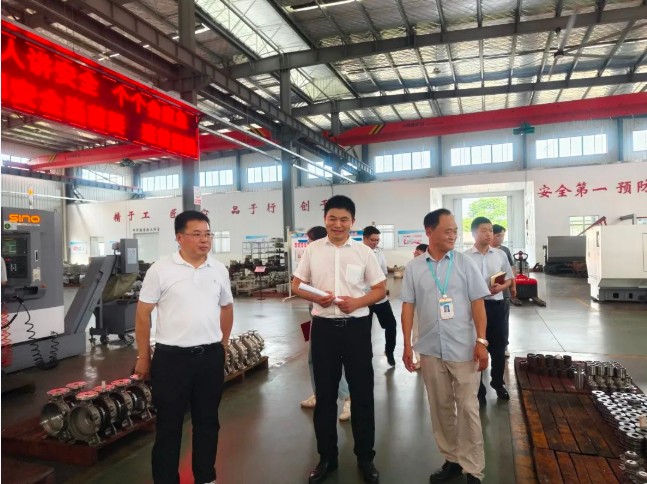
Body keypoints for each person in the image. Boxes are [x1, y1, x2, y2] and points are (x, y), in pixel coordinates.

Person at [135, 210, 234, 484]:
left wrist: (223, 344)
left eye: (208, 234)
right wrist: (143, 357)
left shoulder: (219, 269)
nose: (204, 240)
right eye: (197, 234)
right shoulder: (160, 270)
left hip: (209, 357)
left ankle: (206, 478)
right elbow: (143, 315)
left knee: (207, 422)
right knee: (169, 426)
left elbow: (227, 307)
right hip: (171, 360)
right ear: (179, 238)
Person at [292, 195, 386, 484]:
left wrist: (357, 302)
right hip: (323, 329)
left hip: (356, 329)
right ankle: (327, 458)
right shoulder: (312, 250)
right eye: (332, 218)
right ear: (325, 219)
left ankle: (365, 458)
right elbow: (297, 285)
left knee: (362, 394)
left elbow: (380, 289)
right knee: (325, 396)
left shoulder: (363, 252)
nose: (337, 224)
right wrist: (317, 296)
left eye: (344, 219)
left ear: (352, 222)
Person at [401, 208, 490, 484]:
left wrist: (481, 341)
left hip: (464, 347)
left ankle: (473, 468)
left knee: (468, 408)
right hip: (430, 348)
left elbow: (478, 303)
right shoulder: (414, 267)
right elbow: (408, 306)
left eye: (455, 231)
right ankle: (452, 460)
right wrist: (407, 345)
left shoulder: (464, 263)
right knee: (440, 407)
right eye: (448, 231)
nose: (453, 236)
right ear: (429, 232)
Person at [301, 226, 352, 422]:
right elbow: (299, 284)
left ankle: (348, 397)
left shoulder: (337, 258)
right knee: (314, 359)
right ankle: (318, 393)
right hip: (316, 313)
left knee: (333, 360)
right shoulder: (312, 256)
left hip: (335, 316)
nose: (307, 244)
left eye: (309, 240)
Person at [465, 217, 514, 404]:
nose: (489, 234)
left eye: (491, 230)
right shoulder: (464, 257)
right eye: (484, 230)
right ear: (474, 233)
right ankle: (479, 388)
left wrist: (502, 287)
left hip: (495, 306)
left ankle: (498, 383)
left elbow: (509, 279)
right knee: (476, 346)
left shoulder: (500, 255)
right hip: (473, 308)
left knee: (498, 347)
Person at [363, 226, 397, 366]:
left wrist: (382, 288)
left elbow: (384, 273)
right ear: (364, 238)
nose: (375, 243)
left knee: (391, 325)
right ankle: (366, 356)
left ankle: (389, 351)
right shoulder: (358, 252)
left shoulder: (379, 252)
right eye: (372, 240)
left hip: (380, 298)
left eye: (377, 240)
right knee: (365, 330)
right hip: (364, 299)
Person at [491, 224, 518, 358]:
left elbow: (511, 271)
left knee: (503, 320)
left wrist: (513, 286)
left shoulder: (505, 251)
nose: (501, 238)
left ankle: (504, 345)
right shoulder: (484, 250)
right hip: (487, 292)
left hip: (503, 292)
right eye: (498, 235)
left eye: (502, 236)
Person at [411, 243, 428, 370]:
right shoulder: (412, 267)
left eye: (419, 253)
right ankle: (419, 359)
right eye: (415, 253)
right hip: (417, 306)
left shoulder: (434, 268)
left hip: (432, 306)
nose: (416, 255)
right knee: (416, 333)